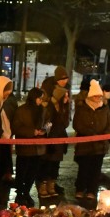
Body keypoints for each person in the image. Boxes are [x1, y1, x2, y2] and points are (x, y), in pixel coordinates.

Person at [72, 79, 110, 206]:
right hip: (85, 144)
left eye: (99, 96)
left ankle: (92, 190)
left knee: (95, 169)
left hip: (100, 145)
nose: (98, 98)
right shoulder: (82, 108)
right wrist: (90, 134)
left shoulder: (105, 108)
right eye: (95, 96)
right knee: (84, 167)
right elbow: (77, 124)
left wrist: (104, 136)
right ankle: (80, 189)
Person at [38, 68, 71, 202]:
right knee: (45, 161)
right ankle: (43, 184)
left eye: (66, 79)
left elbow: (65, 121)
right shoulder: (48, 92)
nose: (65, 81)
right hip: (48, 134)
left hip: (59, 134)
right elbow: (46, 118)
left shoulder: (65, 100)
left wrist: (64, 107)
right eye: (62, 79)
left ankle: (52, 184)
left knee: (55, 162)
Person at [11, 88, 46, 207]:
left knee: (33, 172)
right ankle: (20, 194)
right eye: (39, 98)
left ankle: (26, 192)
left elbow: (48, 123)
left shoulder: (42, 110)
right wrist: (32, 132)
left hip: (38, 148)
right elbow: (16, 127)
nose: (41, 101)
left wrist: (44, 130)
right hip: (25, 148)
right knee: (22, 172)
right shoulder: (21, 110)